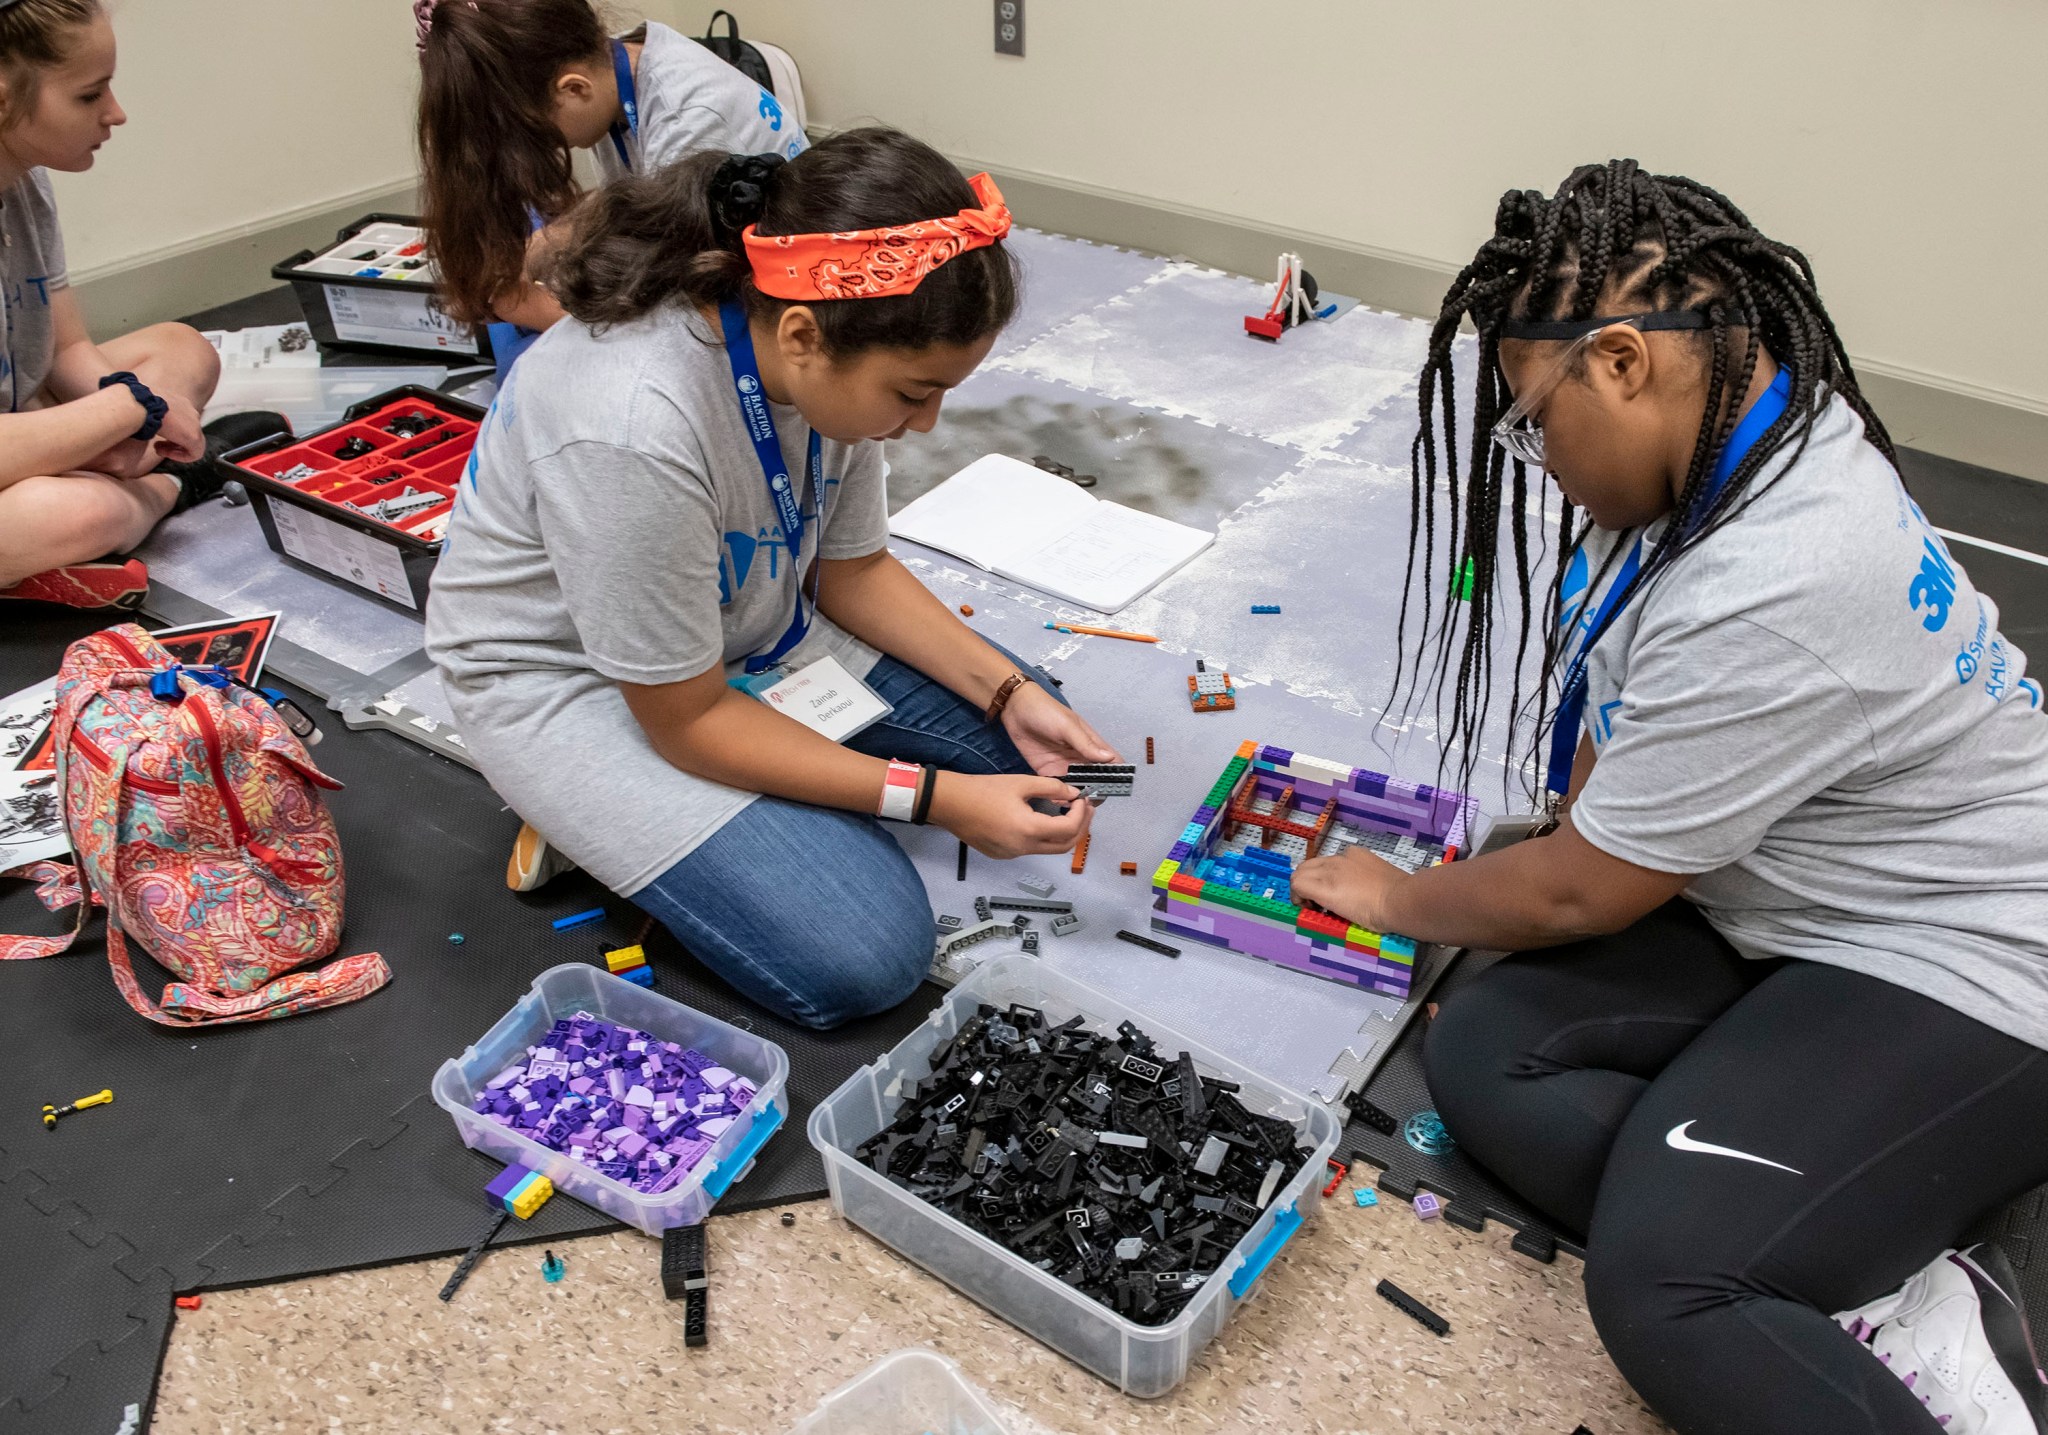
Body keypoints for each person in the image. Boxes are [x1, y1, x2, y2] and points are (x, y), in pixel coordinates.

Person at [1291, 160, 2048, 1435]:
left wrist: (1398, 896)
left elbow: (1584, 884)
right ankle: (1861, 1233)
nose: (1532, 460)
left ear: (1626, 362)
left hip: (1976, 959)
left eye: (1532, 422)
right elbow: (1614, 722)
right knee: (1486, 1056)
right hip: (1792, 909)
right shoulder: (1726, 449)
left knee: (1667, 1283)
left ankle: (1887, 1294)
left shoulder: (1784, 574)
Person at [425, 128, 1116, 1030]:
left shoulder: (818, 351)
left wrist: (1009, 687)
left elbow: (852, 568)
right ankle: (575, 812)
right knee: (867, 948)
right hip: (584, 685)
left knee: (1021, 746)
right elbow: (690, 719)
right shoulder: (630, 421)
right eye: (913, 393)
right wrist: (933, 798)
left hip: (752, 628)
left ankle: (767, 811)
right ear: (800, 335)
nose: (926, 422)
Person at [415, 0, 805, 371]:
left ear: (574, 90)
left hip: (775, 303)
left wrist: (519, 304)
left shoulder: (689, 120)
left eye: (535, 135)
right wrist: (536, 249)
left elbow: (663, 324)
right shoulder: (609, 67)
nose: (548, 148)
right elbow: (629, 197)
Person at [0, 0, 231, 603]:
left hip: (18, 422)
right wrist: (133, 412)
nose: (116, 113)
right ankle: (174, 487)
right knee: (74, 513)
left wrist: (140, 410)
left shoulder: (24, 181)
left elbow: (65, 345)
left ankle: (79, 520)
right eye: (88, 95)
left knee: (183, 349)